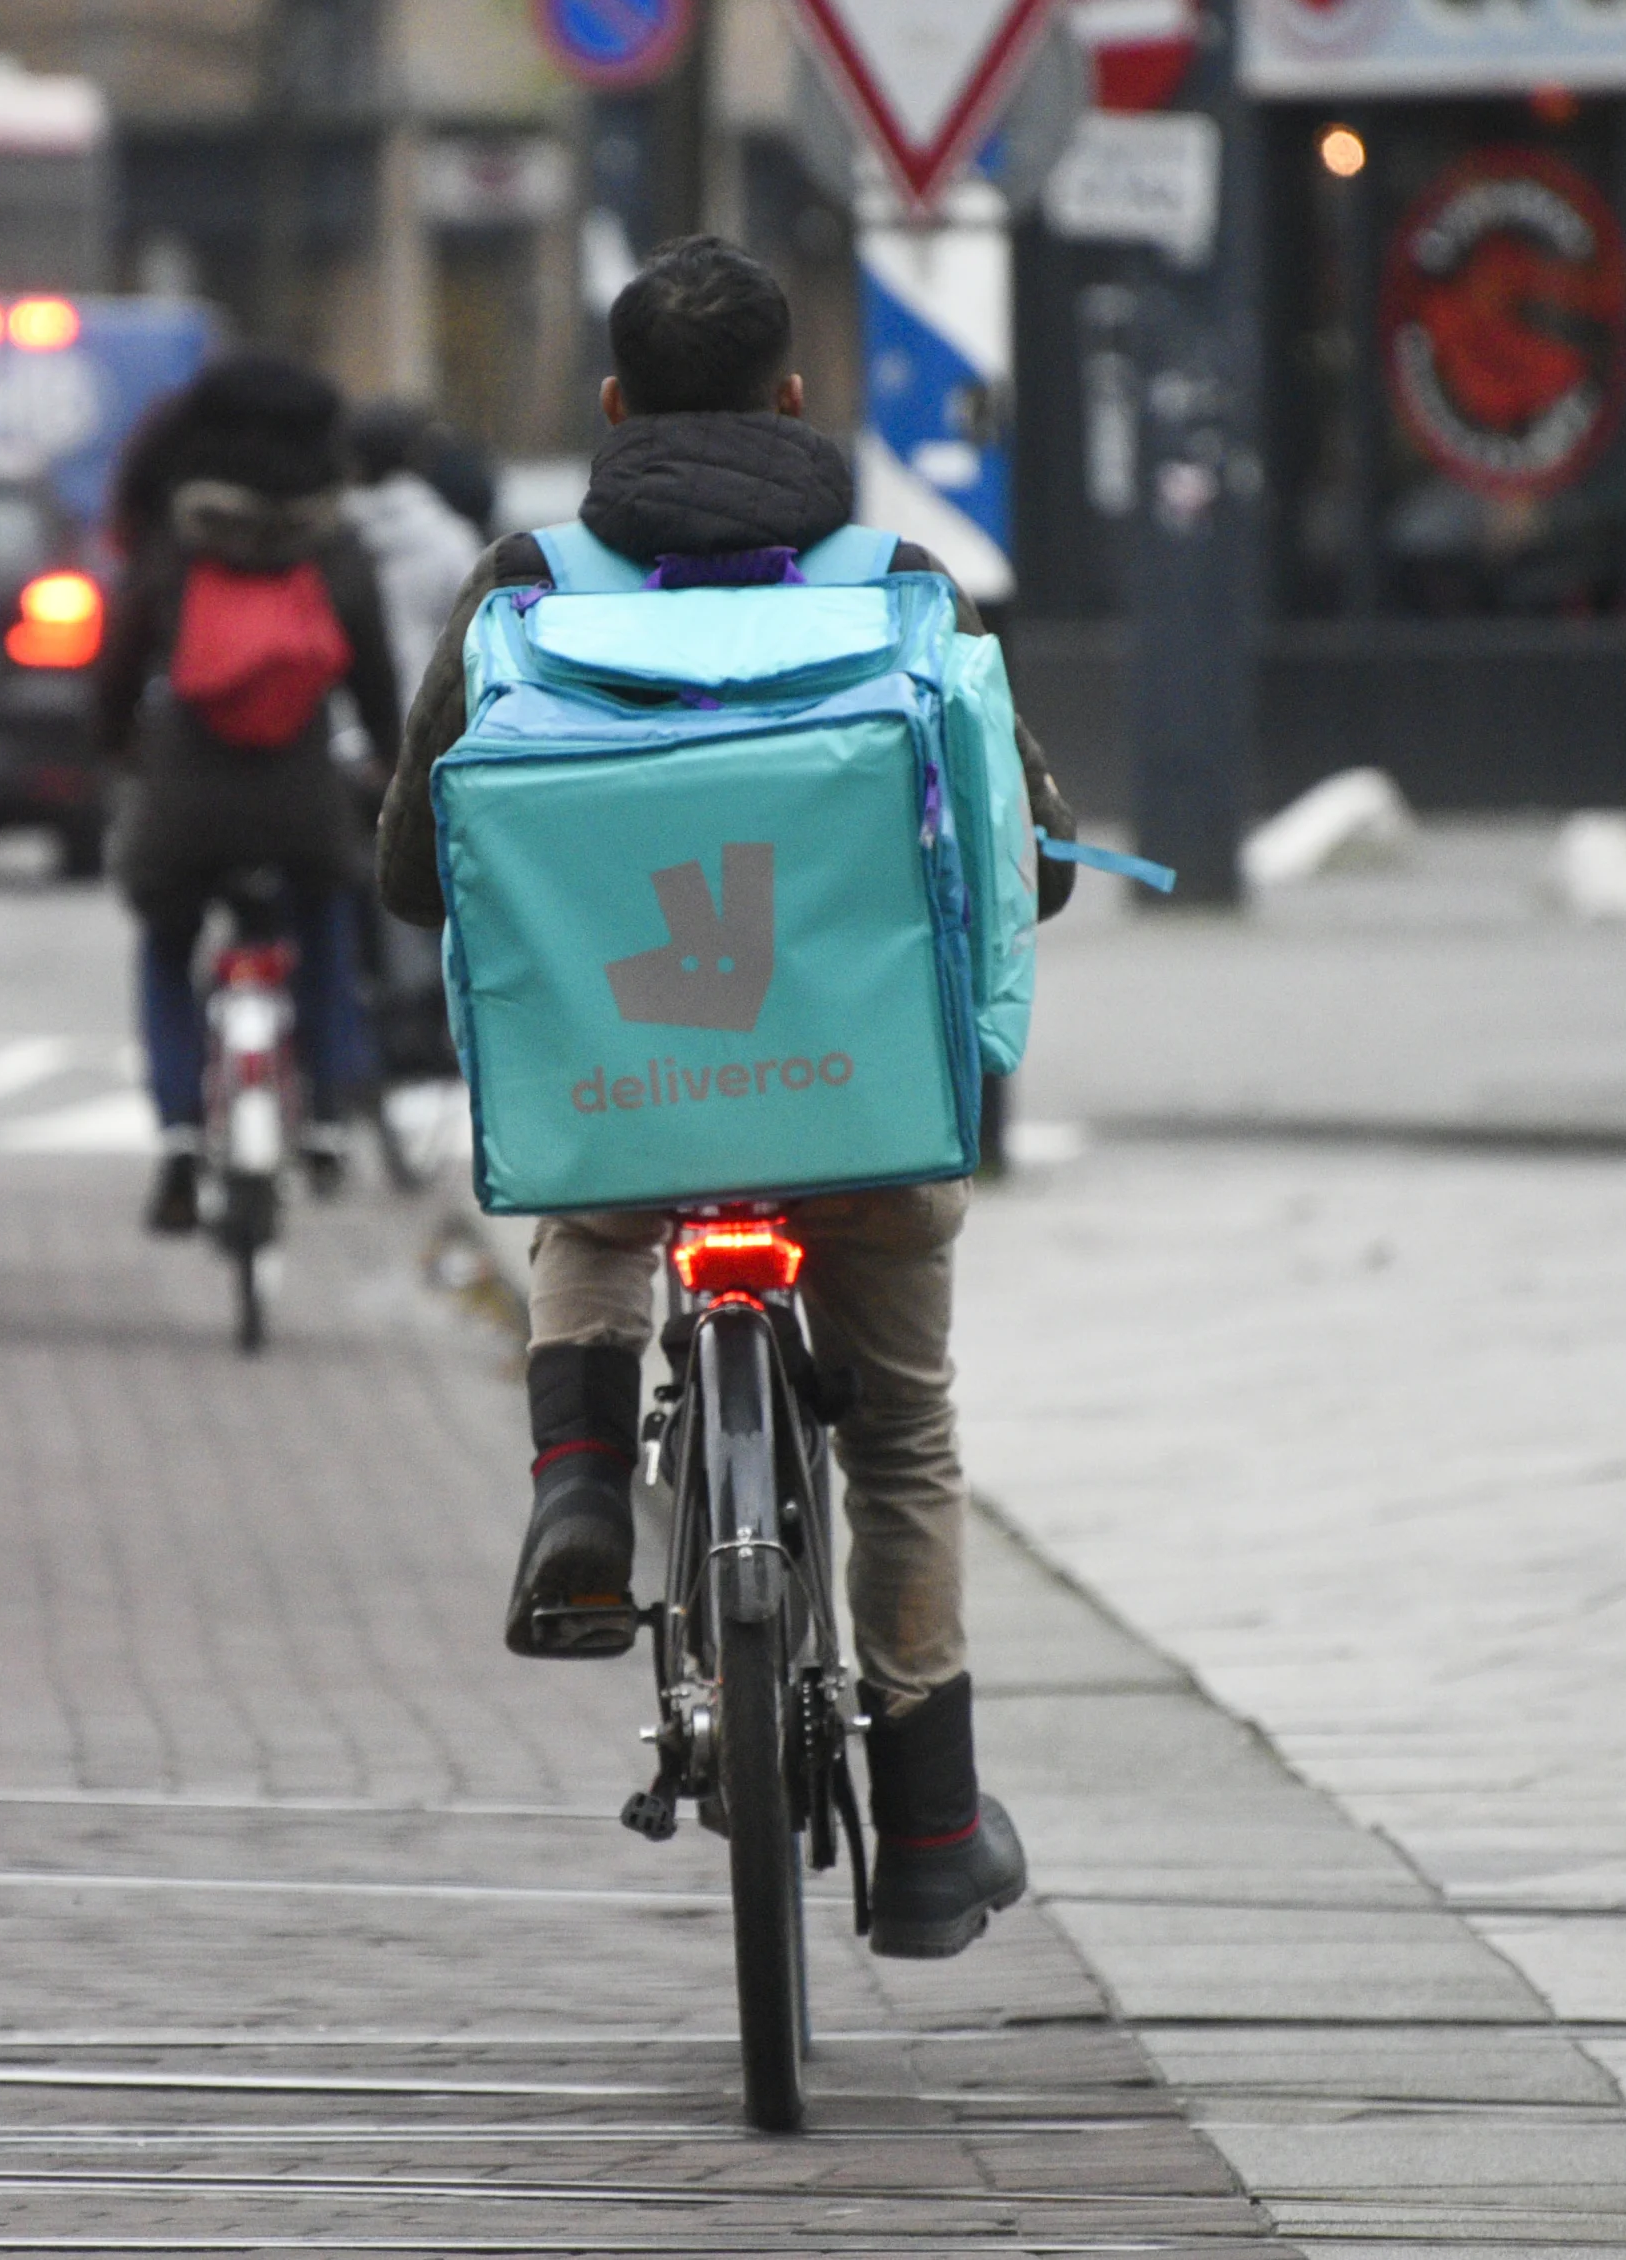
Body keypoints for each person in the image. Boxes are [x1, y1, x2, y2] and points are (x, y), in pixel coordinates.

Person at [374, 235, 1080, 1961]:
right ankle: (930, 1831)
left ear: (613, 407)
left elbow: (411, 864)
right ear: (794, 397)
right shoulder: (899, 581)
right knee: (901, 1434)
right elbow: (1035, 853)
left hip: (632, 1095)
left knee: (592, 1179)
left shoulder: (527, 586)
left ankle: (580, 1481)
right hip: (861, 1112)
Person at [96, 354, 403, 1233]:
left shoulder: (173, 545)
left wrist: (118, 748)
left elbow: (116, 670)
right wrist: (388, 764)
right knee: (326, 921)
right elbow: (375, 681)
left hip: (182, 796)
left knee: (167, 941)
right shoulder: (333, 550)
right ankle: (329, 1117)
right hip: (302, 796)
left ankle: (178, 1134)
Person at [337, 400, 486, 717]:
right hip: (425, 718)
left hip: (342, 722)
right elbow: (478, 633)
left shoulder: (330, 540)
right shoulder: (448, 537)